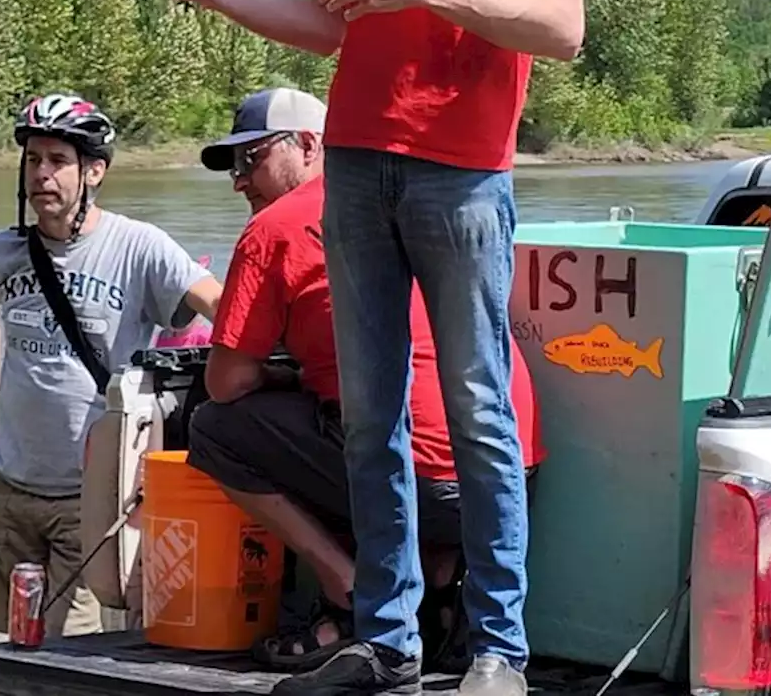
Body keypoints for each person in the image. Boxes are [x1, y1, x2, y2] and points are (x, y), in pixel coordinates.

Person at [103, 0, 598, 696]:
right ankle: (386, 638)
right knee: (368, 411)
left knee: (471, 405)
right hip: (358, 162)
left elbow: (560, 29)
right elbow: (331, 22)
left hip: (464, 171)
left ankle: (500, 653)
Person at [185, 89, 544, 672]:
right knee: (360, 416)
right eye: (233, 165)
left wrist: (287, 374)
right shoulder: (415, 200)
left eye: (251, 159)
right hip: (511, 485)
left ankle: (348, 590)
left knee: (216, 427)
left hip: (424, 482)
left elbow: (226, 383)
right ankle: (441, 582)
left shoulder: (277, 227)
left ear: (308, 146)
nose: (238, 180)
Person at [0, 92, 223, 639]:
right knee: (12, 649)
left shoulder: (138, 246)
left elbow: (222, 308)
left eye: (58, 161)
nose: (42, 174)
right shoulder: (1, 253)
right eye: (33, 160)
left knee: (71, 654)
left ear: (94, 171)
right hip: (9, 486)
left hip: (91, 496)